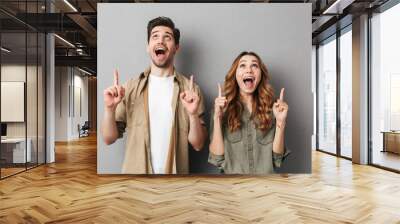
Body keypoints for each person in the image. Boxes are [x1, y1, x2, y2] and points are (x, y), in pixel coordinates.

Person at [101, 16, 207, 174]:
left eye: (167, 37)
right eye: (155, 36)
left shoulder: (191, 91)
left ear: (176, 47)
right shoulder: (130, 88)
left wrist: (192, 115)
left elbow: (198, 144)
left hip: (175, 185)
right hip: (136, 181)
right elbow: (108, 139)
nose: (160, 41)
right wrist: (109, 109)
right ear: (148, 46)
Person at [208, 51, 290, 174]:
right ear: (235, 74)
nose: (249, 70)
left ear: (261, 74)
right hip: (232, 188)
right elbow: (217, 159)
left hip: (265, 186)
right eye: (243, 65)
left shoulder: (273, 110)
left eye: (254, 65)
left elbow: (277, 159)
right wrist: (217, 118)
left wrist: (280, 122)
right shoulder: (220, 109)